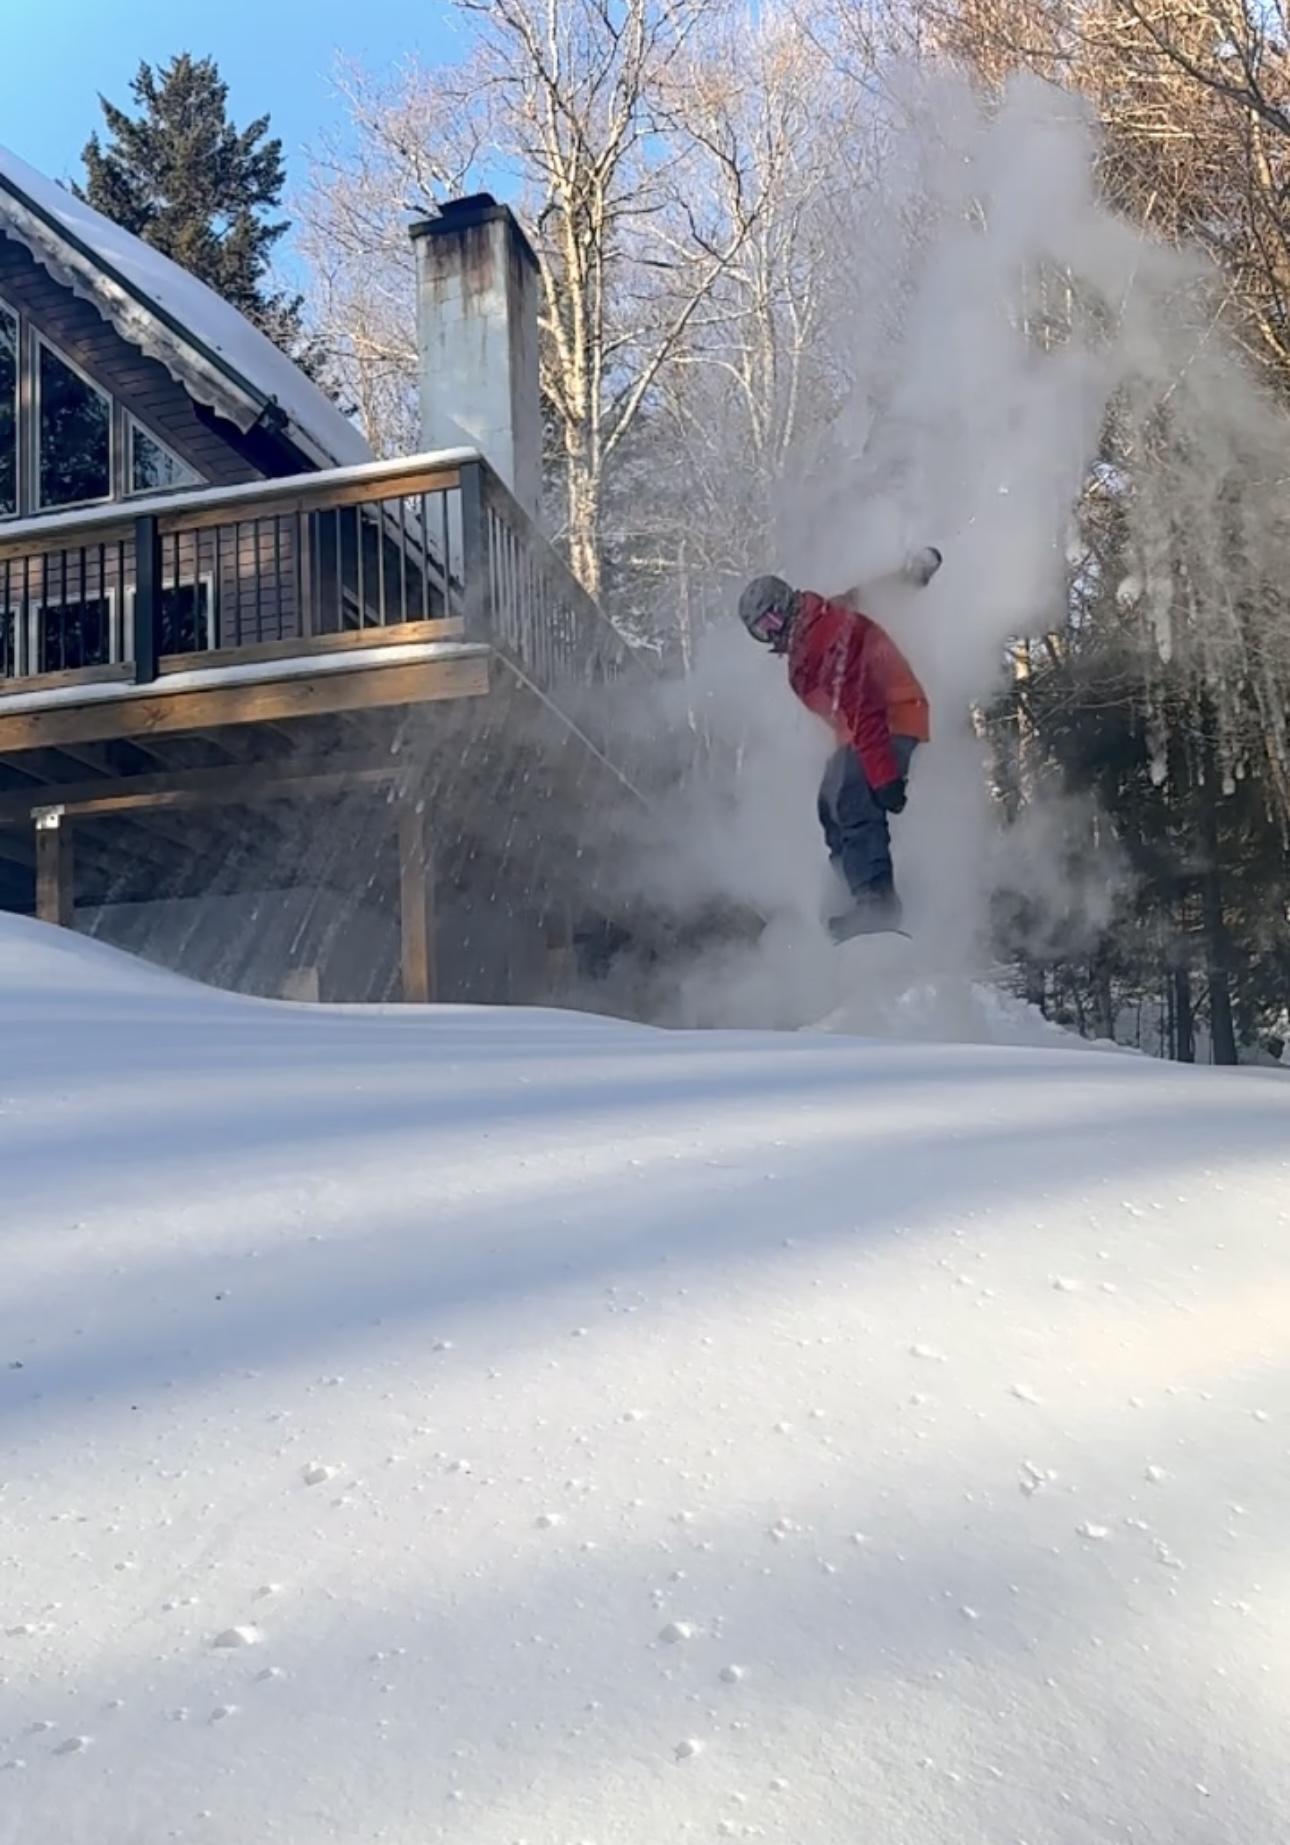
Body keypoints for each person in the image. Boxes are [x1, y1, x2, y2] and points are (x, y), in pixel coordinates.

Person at [738, 555, 937, 936]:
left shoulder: (822, 639)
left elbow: (864, 705)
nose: (772, 633)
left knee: (852, 795)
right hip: (864, 729)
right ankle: (853, 890)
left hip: (892, 714)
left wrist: (883, 778)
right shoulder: (814, 625)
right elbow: (864, 596)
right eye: (762, 630)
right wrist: (909, 576)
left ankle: (876, 903)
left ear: (786, 605)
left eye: (772, 620)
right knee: (829, 805)